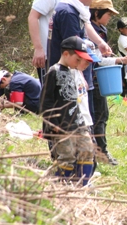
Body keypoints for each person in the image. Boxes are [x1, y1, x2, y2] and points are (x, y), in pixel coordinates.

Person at [28, 0, 97, 85]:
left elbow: (86, 22)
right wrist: (38, 48)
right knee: (53, 98)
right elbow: (33, 17)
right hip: (52, 55)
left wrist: (100, 43)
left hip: (75, 57)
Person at [40, 36, 95, 186]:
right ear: (66, 54)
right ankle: (63, 186)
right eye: (77, 60)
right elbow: (46, 101)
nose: (79, 63)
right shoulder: (54, 72)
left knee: (87, 150)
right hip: (62, 126)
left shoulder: (73, 72)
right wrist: (52, 124)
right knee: (67, 155)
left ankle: (83, 185)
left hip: (78, 122)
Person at [89, 0, 127, 166]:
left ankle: (100, 151)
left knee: (102, 115)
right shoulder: (89, 29)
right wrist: (119, 60)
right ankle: (100, 154)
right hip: (91, 78)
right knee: (98, 116)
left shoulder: (102, 30)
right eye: (107, 14)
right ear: (97, 12)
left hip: (100, 78)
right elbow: (96, 60)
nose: (109, 18)